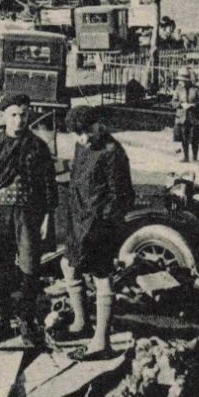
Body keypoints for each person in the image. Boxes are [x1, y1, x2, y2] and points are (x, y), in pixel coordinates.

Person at [0, 93, 56, 345]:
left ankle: (27, 321)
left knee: (29, 267)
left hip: (28, 214)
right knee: (2, 268)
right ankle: (4, 321)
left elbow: (49, 184)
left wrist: (46, 217)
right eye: (13, 115)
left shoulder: (37, 147)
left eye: (23, 115)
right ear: (3, 116)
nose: (18, 120)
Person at [55, 105, 133, 359]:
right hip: (79, 220)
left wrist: (104, 225)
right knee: (69, 266)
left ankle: (101, 342)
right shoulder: (82, 145)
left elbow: (120, 196)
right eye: (78, 134)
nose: (84, 138)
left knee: (102, 276)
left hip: (100, 226)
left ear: (98, 124)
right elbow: (77, 180)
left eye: (88, 132)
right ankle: (81, 323)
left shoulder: (112, 152)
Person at [171, 68, 199, 163]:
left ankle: (195, 158)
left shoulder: (196, 89)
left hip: (193, 117)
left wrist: (193, 105)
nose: (180, 82)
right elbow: (173, 102)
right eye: (179, 80)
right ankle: (186, 157)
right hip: (182, 117)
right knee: (184, 138)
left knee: (194, 138)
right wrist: (181, 104)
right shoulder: (178, 90)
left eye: (182, 80)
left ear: (187, 81)